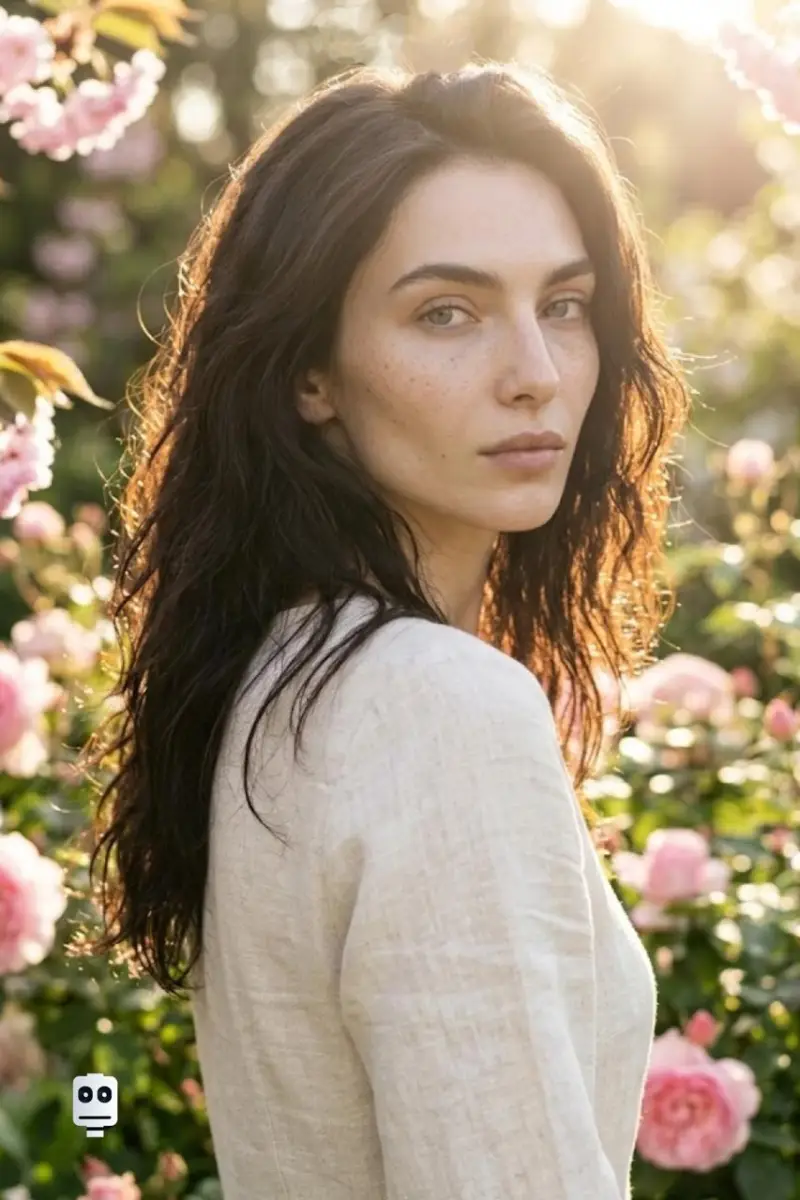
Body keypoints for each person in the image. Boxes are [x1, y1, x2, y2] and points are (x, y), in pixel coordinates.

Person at [77, 61, 692, 1199]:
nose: (536, 373)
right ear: (310, 372)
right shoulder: (434, 707)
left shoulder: (279, 680)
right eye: (445, 312)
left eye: (562, 304)